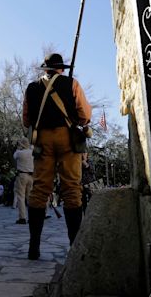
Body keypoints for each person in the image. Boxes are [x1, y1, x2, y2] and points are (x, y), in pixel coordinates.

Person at [23, 53, 92, 260]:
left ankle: (33, 247)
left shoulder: (32, 87)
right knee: (72, 188)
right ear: (61, 68)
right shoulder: (72, 83)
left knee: (40, 189)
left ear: (45, 69)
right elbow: (85, 115)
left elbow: (26, 120)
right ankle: (74, 245)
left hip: (43, 140)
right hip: (67, 139)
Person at [13, 137, 34, 224]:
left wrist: (18, 148)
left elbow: (14, 156)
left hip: (22, 175)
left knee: (21, 196)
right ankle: (32, 217)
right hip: (31, 176)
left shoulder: (19, 153)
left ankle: (22, 217)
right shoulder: (32, 152)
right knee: (30, 197)